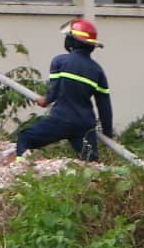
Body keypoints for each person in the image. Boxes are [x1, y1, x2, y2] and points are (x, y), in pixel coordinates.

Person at [16, 19, 114, 162]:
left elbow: (54, 91)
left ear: (72, 41)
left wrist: (45, 100)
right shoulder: (98, 71)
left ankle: (21, 171)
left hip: (61, 120)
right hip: (84, 126)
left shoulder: (60, 61)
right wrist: (108, 134)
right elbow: (104, 107)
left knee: (25, 138)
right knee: (91, 163)